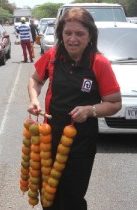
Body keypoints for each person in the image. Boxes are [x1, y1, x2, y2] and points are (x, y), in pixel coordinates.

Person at [27, 7, 122, 210]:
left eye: (80, 34)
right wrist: (34, 99)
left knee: (72, 198)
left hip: (81, 144)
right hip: (48, 139)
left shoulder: (99, 63)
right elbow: (35, 80)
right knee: (48, 196)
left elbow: (114, 103)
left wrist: (90, 110)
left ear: (90, 36)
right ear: (61, 34)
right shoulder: (53, 56)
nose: (72, 39)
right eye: (68, 33)